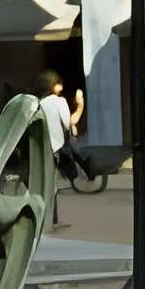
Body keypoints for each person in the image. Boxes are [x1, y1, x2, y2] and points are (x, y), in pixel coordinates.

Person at [38, 72, 88, 218]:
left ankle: (50, 216)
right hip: (59, 147)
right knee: (54, 182)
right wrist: (80, 106)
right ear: (54, 85)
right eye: (59, 83)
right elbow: (68, 123)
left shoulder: (40, 102)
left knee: (48, 182)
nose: (62, 86)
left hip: (45, 147)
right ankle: (53, 217)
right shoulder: (60, 101)